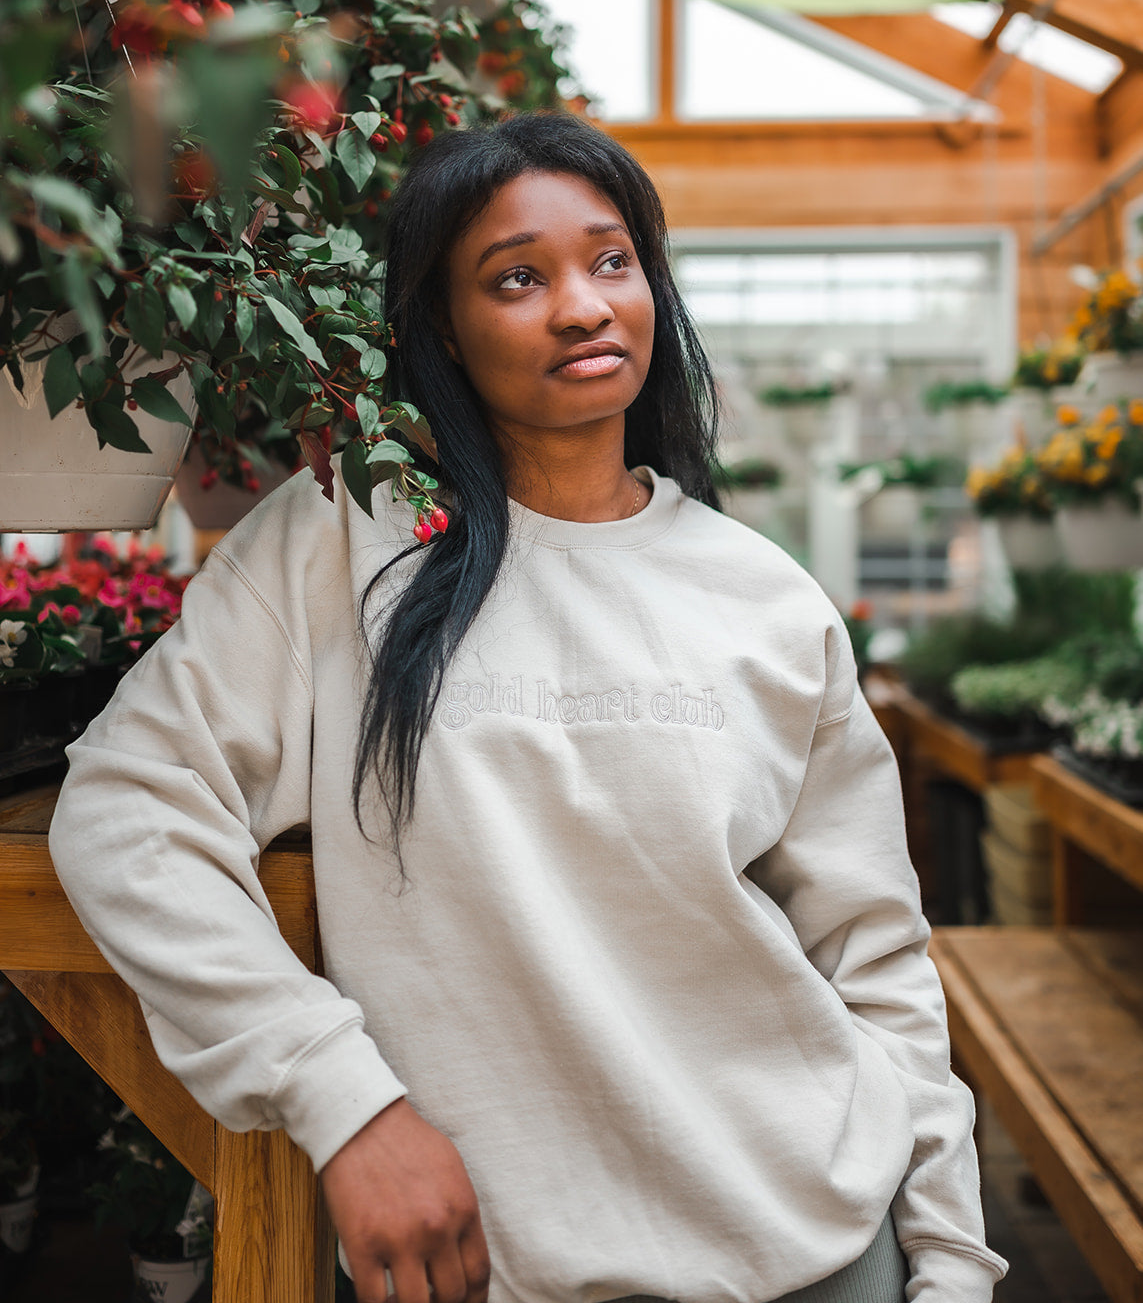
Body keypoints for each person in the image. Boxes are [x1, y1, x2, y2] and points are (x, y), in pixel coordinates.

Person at [49, 112, 1008, 1303]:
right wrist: (347, 1103)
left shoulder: (765, 597)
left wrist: (954, 1260)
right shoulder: (343, 542)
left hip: (818, 1240)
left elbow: (874, 956)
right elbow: (129, 809)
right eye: (518, 276)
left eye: (613, 261)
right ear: (441, 326)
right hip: (491, 1265)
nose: (583, 304)